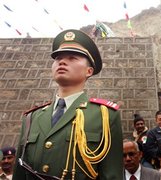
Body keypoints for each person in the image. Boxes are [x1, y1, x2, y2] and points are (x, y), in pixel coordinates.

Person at [13, 29, 123, 180]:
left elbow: (112, 175)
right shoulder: (32, 117)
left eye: (72, 58)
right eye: (58, 58)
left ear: (89, 71)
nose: (62, 62)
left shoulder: (105, 115)